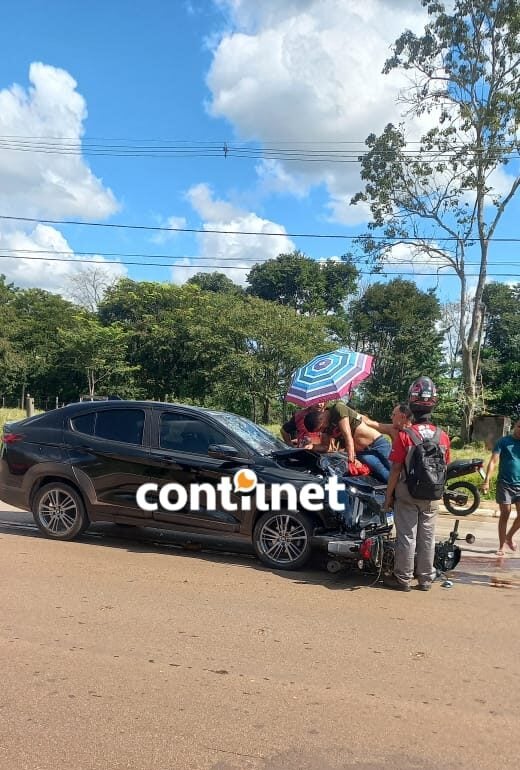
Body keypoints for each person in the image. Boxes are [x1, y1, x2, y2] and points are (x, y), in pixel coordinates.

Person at [383, 377, 451, 592]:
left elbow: (395, 469)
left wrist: (388, 496)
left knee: (407, 536)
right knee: (427, 537)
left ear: (412, 406)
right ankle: (425, 579)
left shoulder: (405, 436)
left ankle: (403, 579)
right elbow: (445, 466)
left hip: (408, 493)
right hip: (432, 494)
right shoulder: (443, 436)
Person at [303, 401, 391, 483]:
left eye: (320, 428)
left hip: (377, 443)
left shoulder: (337, 409)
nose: (322, 431)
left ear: (321, 418)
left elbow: (348, 437)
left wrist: (351, 460)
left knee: (396, 469)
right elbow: (326, 447)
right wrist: (312, 446)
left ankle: (399, 493)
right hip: (363, 453)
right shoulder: (326, 429)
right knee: (385, 476)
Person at [482, 418, 520, 556]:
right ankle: (502, 545)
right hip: (505, 484)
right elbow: (493, 461)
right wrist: (487, 480)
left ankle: (509, 537)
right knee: (505, 513)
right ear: (515, 426)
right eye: (519, 426)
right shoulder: (503, 442)